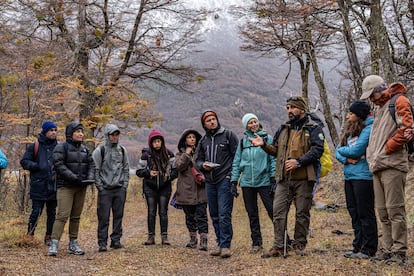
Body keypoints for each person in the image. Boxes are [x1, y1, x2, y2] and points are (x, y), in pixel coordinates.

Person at [250, 96, 324, 258]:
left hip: (304, 178)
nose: (289, 111)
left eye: (292, 107)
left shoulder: (313, 127)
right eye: (287, 108)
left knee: (302, 213)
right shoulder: (284, 128)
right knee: (278, 212)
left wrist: (299, 162)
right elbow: (276, 150)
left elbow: (318, 150)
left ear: (302, 109)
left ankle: (299, 244)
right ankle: (279, 245)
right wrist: (263, 146)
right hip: (284, 179)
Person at [360, 75, 412, 264]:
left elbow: (407, 129)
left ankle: (399, 251)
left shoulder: (399, 101)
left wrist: (388, 148)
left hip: (393, 165)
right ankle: (388, 250)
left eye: (371, 95)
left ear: (379, 90)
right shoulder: (380, 108)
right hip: (378, 165)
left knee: (395, 210)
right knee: (382, 211)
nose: (371, 99)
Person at [335, 101, 378, 259]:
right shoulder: (350, 129)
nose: (348, 116)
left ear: (359, 115)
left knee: (364, 212)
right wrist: (345, 158)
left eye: (351, 113)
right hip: (349, 176)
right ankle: (358, 246)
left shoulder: (368, 129)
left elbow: (357, 150)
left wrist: (344, 152)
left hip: (363, 176)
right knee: (354, 212)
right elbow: (338, 151)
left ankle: (369, 248)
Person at [47, 122, 95, 256]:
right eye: (77, 131)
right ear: (70, 133)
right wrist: (73, 177)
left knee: (76, 217)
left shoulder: (85, 149)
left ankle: (73, 243)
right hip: (66, 187)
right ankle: (54, 243)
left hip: (81, 187)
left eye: (82, 131)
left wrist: (89, 178)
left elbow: (91, 165)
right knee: (62, 215)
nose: (81, 134)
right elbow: (59, 164)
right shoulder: (61, 147)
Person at [195, 110, 238, 258]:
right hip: (209, 181)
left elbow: (237, 157)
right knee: (214, 214)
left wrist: (231, 176)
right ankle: (220, 244)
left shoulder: (228, 135)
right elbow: (197, 160)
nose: (212, 122)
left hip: (224, 179)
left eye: (213, 119)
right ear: (204, 124)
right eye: (208, 120)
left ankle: (226, 245)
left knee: (224, 213)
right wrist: (202, 165)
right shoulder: (203, 141)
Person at [230, 113, 275, 254]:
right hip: (247, 183)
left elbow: (273, 159)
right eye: (250, 123)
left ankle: (282, 240)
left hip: (264, 181)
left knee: (273, 211)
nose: (253, 124)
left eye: (255, 121)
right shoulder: (243, 142)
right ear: (246, 126)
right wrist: (233, 180)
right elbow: (237, 162)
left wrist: (273, 178)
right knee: (252, 213)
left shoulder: (268, 139)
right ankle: (256, 243)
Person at [136, 129, 177, 245]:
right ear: (151, 143)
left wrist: (167, 177)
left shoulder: (169, 154)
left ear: (162, 142)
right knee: (151, 211)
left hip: (165, 187)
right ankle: (151, 236)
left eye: (159, 141)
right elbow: (139, 171)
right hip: (150, 187)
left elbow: (175, 171)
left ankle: (164, 237)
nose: (157, 144)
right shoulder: (146, 155)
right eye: (154, 142)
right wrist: (148, 173)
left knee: (163, 211)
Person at [92, 124, 129, 252]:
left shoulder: (122, 150)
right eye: (113, 134)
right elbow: (95, 171)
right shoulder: (99, 151)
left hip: (119, 189)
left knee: (118, 216)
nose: (115, 137)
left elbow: (126, 169)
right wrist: (100, 187)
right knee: (103, 217)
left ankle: (116, 241)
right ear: (108, 135)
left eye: (117, 134)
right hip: (105, 190)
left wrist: (124, 186)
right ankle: (102, 243)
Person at [20, 121, 58, 245]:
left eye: (55, 130)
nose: (53, 132)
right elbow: (24, 161)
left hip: (53, 185)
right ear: (45, 131)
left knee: (52, 213)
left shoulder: (58, 147)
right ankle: (30, 235)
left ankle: (49, 237)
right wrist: (37, 166)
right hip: (38, 185)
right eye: (51, 130)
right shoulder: (34, 146)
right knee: (36, 211)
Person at [174, 129, 208, 251]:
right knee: (190, 217)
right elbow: (178, 166)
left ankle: (204, 241)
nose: (192, 139)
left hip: (201, 189)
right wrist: (187, 154)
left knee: (202, 216)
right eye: (189, 137)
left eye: (194, 137)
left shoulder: (202, 154)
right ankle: (193, 239)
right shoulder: (179, 155)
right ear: (185, 140)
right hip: (186, 190)